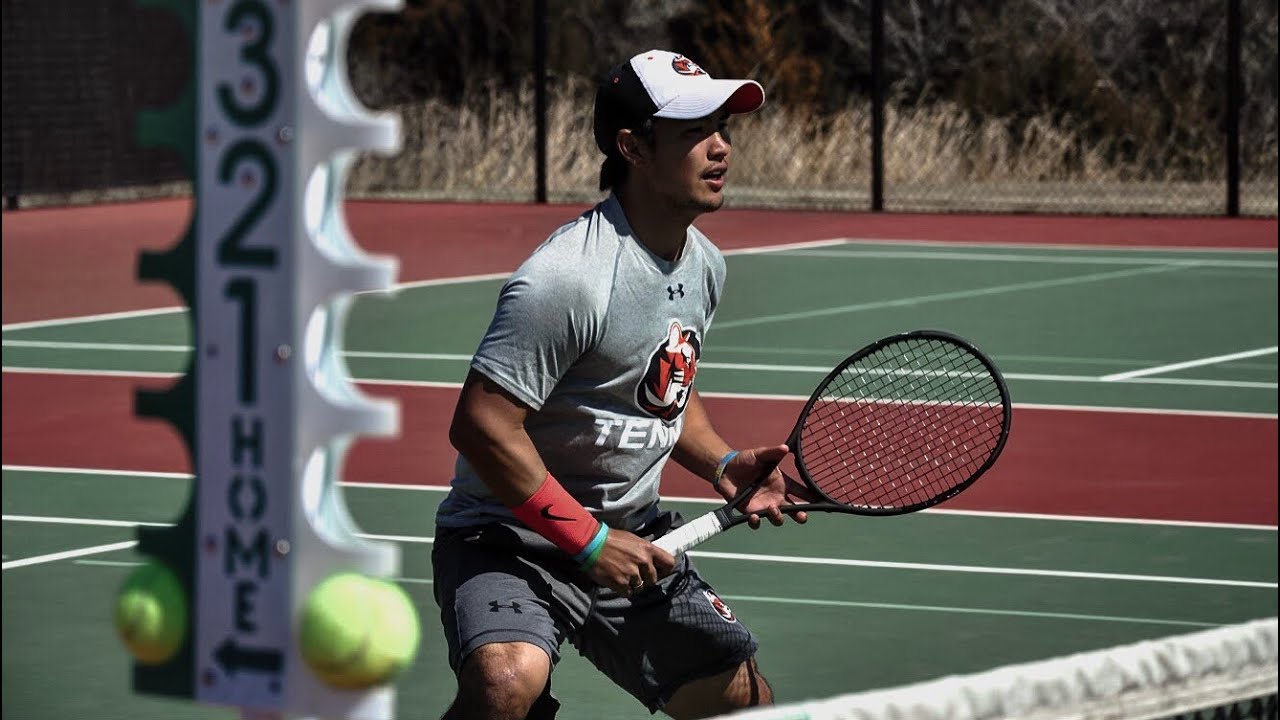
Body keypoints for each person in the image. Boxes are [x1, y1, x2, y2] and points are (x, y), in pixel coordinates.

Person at [432, 49, 808, 720]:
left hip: (633, 539)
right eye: (696, 131)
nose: (721, 148)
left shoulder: (706, 265)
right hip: (509, 538)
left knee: (742, 703)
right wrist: (587, 540)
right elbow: (482, 426)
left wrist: (723, 461)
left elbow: (663, 391)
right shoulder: (567, 278)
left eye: (723, 128)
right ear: (633, 147)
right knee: (504, 685)